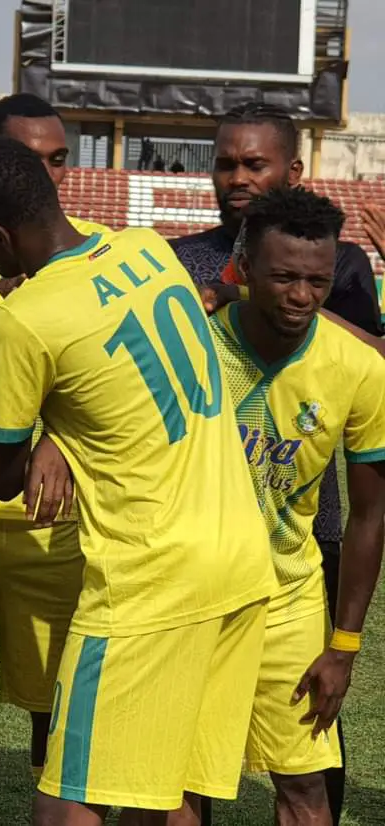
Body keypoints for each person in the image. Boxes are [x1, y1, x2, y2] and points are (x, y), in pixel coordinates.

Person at [0, 135, 277, 825]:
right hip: (239, 556)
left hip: (147, 580)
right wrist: (63, 434)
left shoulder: (21, 322)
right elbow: (114, 386)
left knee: (67, 800)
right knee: (167, 790)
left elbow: (1, 477)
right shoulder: (148, 249)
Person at [171, 103, 383, 825]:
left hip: (292, 575)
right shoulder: (183, 305)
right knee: (176, 781)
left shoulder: (348, 332)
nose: (300, 295)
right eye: (225, 163)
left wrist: (344, 644)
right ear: (248, 266)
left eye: (313, 282)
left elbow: (372, 506)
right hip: (186, 582)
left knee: (307, 779)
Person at [0, 92, 107, 781]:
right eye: (30, 158)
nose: (48, 174)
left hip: (56, 528)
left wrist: (59, 439)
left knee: (59, 711)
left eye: (59, 159)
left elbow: (107, 380)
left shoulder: (91, 250)